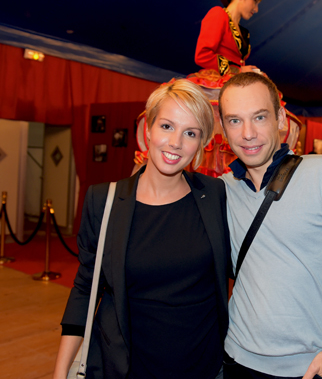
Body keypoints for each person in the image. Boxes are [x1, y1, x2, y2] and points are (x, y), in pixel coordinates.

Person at [53, 79, 231, 379]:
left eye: (190, 133)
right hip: (127, 367)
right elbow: (85, 287)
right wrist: (60, 371)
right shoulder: (104, 200)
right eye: (166, 126)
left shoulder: (214, 194)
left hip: (204, 367)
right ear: (147, 129)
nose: (175, 142)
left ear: (201, 143)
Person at [217, 72, 322, 379]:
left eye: (259, 116)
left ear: (281, 118)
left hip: (312, 365)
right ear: (224, 127)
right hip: (237, 359)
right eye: (235, 120)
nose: (248, 133)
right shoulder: (221, 190)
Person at [195, 0, 263, 79]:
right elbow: (202, 55)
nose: (256, 9)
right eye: (255, 1)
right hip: (215, 82)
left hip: (232, 83)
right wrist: (239, 70)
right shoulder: (218, 14)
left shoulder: (244, 32)